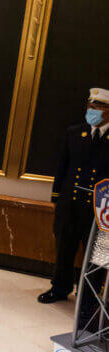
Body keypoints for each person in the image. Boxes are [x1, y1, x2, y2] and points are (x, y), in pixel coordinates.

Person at [39, 87, 109, 309]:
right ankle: (60, 288)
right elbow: (63, 166)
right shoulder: (74, 132)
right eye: (90, 106)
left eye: (98, 106)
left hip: (101, 209)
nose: (92, 110)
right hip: (70, 204)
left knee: (98, 255)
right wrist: (57, 197)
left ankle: (89, 296)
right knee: (64, 247)